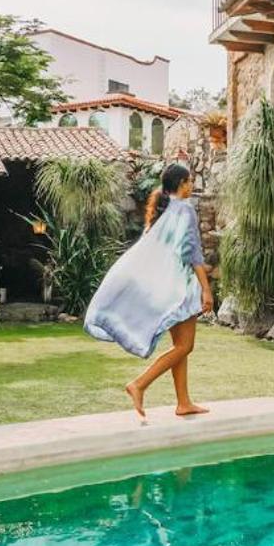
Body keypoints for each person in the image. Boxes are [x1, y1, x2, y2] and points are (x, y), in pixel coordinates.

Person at [83, 162, 213, 422]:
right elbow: (192, 253)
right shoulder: (184, 210)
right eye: (189, 181)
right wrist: (206, 290)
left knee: (180, 347)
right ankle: (139, 385)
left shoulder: (163, 213)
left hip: (168, 288)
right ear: (181, 184)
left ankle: (183, 402)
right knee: (185, 346)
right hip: (182, 290)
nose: (192, 186)